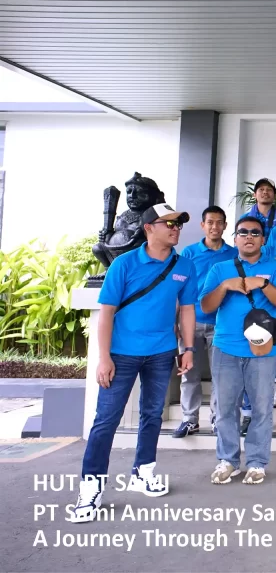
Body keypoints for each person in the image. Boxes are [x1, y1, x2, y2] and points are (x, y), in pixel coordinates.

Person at [70, 204, 198, 522]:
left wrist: (188, 348)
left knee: (152, 415)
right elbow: (106, 312)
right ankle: (91, 487)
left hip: (162, 353)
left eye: (178, 224)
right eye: (169, 223)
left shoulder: (184, 266)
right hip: (122, 354)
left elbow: (186, 309)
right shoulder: (124, 264)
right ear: (149, 228)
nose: (176, 229)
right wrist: (104, 358)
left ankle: (143, 471)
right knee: (106, 420)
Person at [201, 216, 276, 486]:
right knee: (225, 408)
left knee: (262, 408)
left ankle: (256, 463)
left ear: (263, 239)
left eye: (255, 232)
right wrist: (225, 286)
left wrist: (262, 284)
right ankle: (228, 461)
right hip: (226, 347)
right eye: (243, 232)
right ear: (235, 238)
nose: (249, 236)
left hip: (262, 349)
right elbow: (206, 306)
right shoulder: (220, 269)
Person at [174, 205, 236, 438]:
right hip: (191, 322)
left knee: (221, 375)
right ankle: (189, 419)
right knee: (189, 373)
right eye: (210, 222)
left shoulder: (233, 254)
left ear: (225, 226)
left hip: (222, 324)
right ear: (202, 225)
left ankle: (218, 420)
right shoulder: (189, 253)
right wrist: (175, 321)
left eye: (219, 222)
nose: (214, 227)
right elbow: (179, 287)